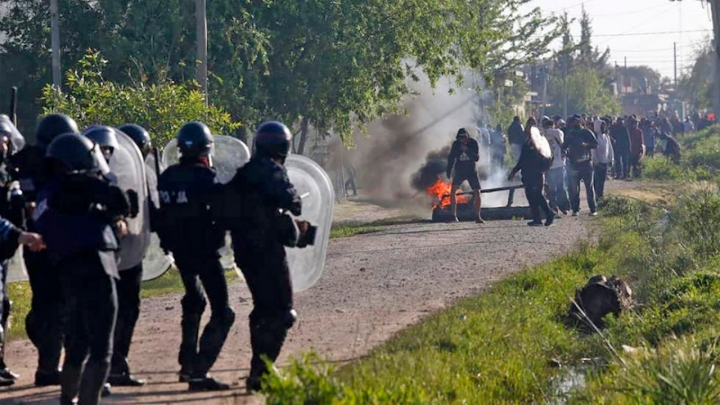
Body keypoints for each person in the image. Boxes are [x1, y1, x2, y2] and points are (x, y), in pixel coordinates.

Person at [35, 133, 132, 405]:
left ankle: (68, 399)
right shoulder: (92, 186)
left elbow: (42, 221)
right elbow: (121, 203)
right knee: (102, 348)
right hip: (99, 267)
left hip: (66, 271)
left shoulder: (50, 191)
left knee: (77, 342)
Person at [222, 121, 313, 391]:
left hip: (244, 252)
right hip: (267, 251)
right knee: (285, 312)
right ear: (283, 148)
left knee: (262, 308)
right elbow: (294, 203)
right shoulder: (273, 170)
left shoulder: (244, 172)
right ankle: (263, 370)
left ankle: (257, 372)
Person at [155, 122, 235, 391]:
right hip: (204, 255)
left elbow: (160, 217)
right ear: (205, 150)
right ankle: (199, 372)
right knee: (223, 312)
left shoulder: (166, 178)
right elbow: (223, 213)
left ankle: (187, 363)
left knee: (194, 299)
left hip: (180, 254)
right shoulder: (206, 179)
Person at [9, 113, 77, 386]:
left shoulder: (21, 160)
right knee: (56, 305)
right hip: (50, 241)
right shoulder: (55, 161)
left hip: (32, 243)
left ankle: (49, 366)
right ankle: (50, 369)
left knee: (47, 303)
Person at [83, 125, 146, 387]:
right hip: (97, 256)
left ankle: (118, 362)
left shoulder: (123, 177)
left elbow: (136, 209)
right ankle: (94, 370)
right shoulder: (79, 182)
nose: (106, 155)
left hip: (128, 253)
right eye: (102, 150)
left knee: (129, 309)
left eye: (110, 150)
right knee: (98, 313)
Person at [508, 125, 555, 227]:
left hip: (536, 174)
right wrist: (514, 171)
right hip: (527, 174)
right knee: (530, 196)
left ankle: (549, 213)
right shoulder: (526, 144)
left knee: (537, 195)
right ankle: (537, 219)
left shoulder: (540, 145)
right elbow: (522, 160)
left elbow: (548, 158)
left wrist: (542, 169)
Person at [446, 128, 483, 223]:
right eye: (460, 138)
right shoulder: (456, 144)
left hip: (471, 171)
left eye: (464, 138)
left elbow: (476, 158)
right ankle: (453, 216)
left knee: (477, 192)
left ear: (467, 137)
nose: (462, 140)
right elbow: (451, 158)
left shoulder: (473, 143)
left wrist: (467, 150)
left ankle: (478, 216)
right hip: (460, 170)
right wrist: (448, 170)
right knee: (453, 190)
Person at [563, 115, 598, 216]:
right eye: (574, 121)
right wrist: (565, 151)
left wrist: (586, 145)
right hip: (574, 164)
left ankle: (593, 209)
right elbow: (564, 146)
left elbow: (595, 144)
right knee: (574, 189)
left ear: (581, 122)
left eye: (578, 121)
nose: (576, 123)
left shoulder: (586, 132)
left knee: (589, 188)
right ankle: (575, 209)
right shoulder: (570, 134)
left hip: (586, 163)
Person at [542, 118, 569, 215]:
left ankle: (554, 208)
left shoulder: (542, 135)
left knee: (551, 189)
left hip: (548, 166)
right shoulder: (558, 132)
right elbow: (563, 143)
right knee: (561, 187)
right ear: (553, 125)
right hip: (559, 164)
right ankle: (564, 207)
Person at [592, 122, 614, 203]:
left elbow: (610, 149)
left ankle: (600, 197)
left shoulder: (606, 137)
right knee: (596, 182)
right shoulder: (595, 137)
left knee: (601, 182)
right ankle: (597, 198)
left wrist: (611, 159)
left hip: (605, 162)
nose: (603, 128)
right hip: (597, 164)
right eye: (602, 126)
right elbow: (593, 151)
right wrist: (595, 161)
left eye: (604, 126)